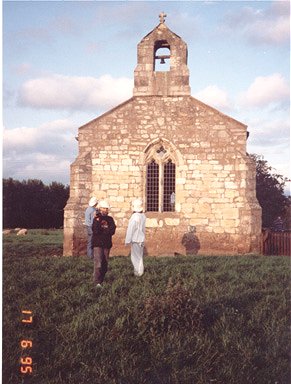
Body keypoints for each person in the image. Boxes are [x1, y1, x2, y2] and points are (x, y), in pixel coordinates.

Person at [92, 200, 116, 287]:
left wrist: (105, 231)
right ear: (99, 208)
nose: (105, 210)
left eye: (106, 208)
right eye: (103, 208)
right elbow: (95, 230)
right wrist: (98, 221)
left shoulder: (110, 219)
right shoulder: (96, 219)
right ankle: (97, 282)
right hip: (97, 244)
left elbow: (112, 230)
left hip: (107, 244)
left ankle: (101, 279)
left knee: (105, 264)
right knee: (98, 263)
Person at [125, 199, 146, 277]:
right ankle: (139, 271)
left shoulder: (134, 216)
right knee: (140, 256)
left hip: (136, 239)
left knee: (135, 257)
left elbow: (131, 229)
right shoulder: (143, 216)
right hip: (141, 238)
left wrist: (127, 240)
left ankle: (138, 273)